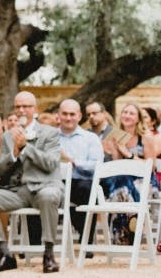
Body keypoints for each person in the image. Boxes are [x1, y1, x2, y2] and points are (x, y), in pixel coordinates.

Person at [0, 91, 63, 274]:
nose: (21, 110)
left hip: (45, 187)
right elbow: (0, 169)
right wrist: (14, 153)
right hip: (19, 191)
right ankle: (5, 253)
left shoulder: (51, 133)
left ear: (35, 109)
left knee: (48, 197)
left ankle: (48, 254)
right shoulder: (8, 136)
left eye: (26, 106)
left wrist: (26, 147)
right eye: (18, 107)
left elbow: (50, 164)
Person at [100, 103, 155, 246]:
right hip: (121, 179)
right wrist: (115, 148)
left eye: (131, 113)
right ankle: (133, 221)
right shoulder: (115, 136)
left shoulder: (146, 137)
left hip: (144, 180)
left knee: (126, 188)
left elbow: (151, 166)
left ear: (138, 119)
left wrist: (129, 155)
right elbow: (117, 165)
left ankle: (130, 226)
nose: (127, 116)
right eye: (125, 112)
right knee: (121, 184)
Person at [57, 99, 103, 241]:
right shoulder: (50, 137)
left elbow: (97, 165)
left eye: (72, 114)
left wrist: (73, 162)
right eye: (64, 114)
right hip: (56, 182)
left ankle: (86, 240)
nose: (68, 118)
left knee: (88, 189)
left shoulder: (90, 138)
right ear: (59, 115)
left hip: (81, 182)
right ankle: (34, 243)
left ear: (79, 116)